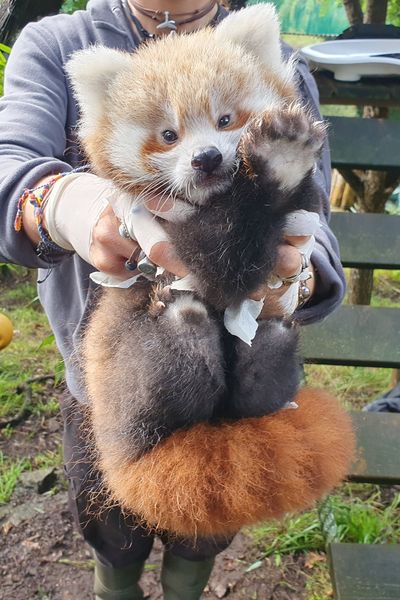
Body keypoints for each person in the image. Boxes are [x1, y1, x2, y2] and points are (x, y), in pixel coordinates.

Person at [0, 1, 346, 598]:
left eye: (227, 121)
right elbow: (7, 165)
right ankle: (117, 588)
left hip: (244, 381)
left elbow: (318, 232)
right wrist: (64, 203)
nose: (204, 151)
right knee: (110, 524)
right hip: (114, 383)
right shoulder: (61, 44)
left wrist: (296, 274)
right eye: (168, 137)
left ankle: (187, 586)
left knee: (210, 521)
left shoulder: (272, 56)